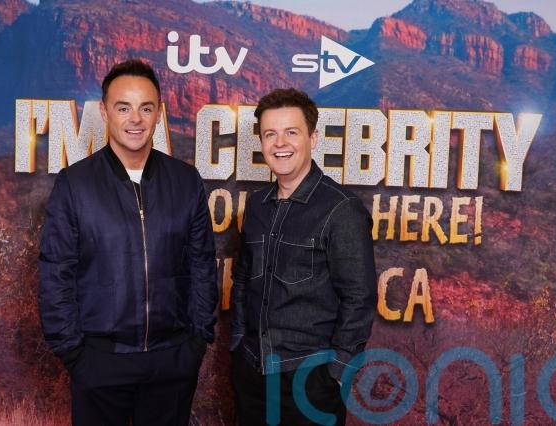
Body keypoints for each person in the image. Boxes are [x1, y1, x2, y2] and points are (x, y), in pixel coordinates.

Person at [38, 59, 218, 426]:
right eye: (124, 108)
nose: (135, 119)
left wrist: (196, 342)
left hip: (171, 360)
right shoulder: (75, 184)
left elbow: (202, 264)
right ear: (105, 112)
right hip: (100, 361)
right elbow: (56, 273)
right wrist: (74, 353)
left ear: (158, 114)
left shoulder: (186, 181)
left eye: (145, 108)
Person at [230, 88, 377, 425]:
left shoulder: (341, 209)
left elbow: (359, 298)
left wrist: (335, 375)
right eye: (270, 134)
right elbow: (242, 279)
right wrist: (238, 342)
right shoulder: (256, 205)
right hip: (252, 373)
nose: (280, 143)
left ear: (312, 137)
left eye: (291, 132)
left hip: (310, 381)